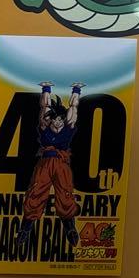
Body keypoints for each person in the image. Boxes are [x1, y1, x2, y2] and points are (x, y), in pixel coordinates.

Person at [16, 81, 85, 252]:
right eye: (55, 119)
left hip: (61, 164)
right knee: (36, 192)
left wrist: (76, 90)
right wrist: (46, 89)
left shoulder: (68, 128)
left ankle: (70, 227)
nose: (58, 122)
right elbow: (44, 107)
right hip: (45, 164)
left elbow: (73, 109)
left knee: (65, 193)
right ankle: (25, 228)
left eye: (61, 119)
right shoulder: (45, 127)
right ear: (51, 119)